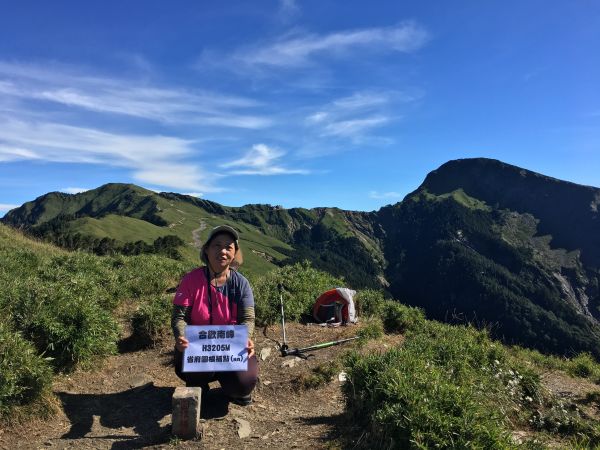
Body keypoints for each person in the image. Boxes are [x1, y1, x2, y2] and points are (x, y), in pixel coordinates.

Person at [171, 225, 257, 406]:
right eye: (217, 245)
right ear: (207, 250)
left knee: (243, 383)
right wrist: (181, 337)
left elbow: (247, 319)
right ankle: (199, 383)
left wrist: (246, 338)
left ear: (234, 254)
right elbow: (179, 317)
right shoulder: (191, 280)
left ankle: (234, 387)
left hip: (230, 348)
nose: (223, 251)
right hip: (199, 347)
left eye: (229, 247)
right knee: (192, 372)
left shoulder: (241, 284)